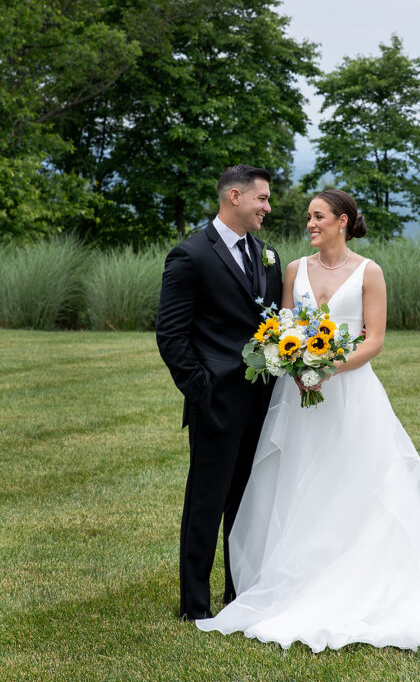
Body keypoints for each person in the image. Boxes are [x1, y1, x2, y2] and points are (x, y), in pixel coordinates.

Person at [196, 189, 420, 651]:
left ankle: (362, 579)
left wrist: (327, 367)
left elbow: (373, 340)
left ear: (343, 221)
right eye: (308, 217)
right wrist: (297, 366)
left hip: (352, 394)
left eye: (318, 216)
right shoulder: (294, 270)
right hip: (300, 398)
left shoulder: (370, 272)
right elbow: (285, 326)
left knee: (356, 483)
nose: (309, 224)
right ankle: (298, 578)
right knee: (298, 483)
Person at [156, 165, 282, 622]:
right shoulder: (190, 255)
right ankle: (195, 606)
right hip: (215, 402)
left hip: (261, 403)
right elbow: (171, 336)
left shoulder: (267, 255)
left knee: (246, 504)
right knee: (205, 504)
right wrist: (203, 389)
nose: (268, 208)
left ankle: (239, 596)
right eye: (262, 199)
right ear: (235, 196)